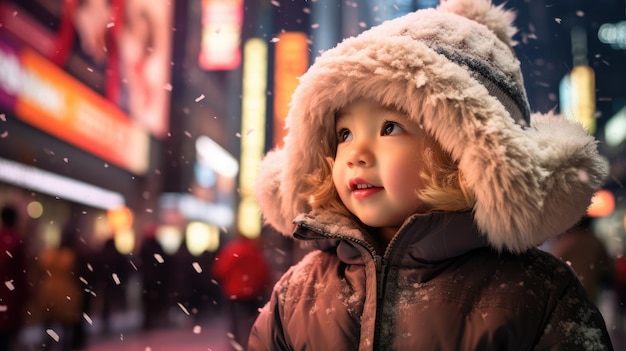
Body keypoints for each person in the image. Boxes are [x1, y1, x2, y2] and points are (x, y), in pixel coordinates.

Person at [248, 0, 614, 349]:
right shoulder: (299, 291)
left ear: (465, 152)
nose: (356, 155)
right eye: (344, 134)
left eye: (390, 128)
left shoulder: (535, 292)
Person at [212, 233, 271, 350]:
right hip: (252, 292)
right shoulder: (254, 252)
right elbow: (263, 272)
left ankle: (235, 344)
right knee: (252, 321)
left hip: (233, 291)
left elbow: (219, 270)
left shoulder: (230, 250)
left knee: (233, 321)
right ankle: (252, 344)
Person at [550, 216, 614, 304]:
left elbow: (553, 270)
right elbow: (608, 269)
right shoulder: (595, 242)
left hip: (568, 296)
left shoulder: (565, 243)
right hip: (590, 294)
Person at [0, 205, 29, 351]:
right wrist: (26, 295)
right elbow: (21, 271)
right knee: (6, 336)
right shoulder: (17, 241)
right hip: (10, 297)